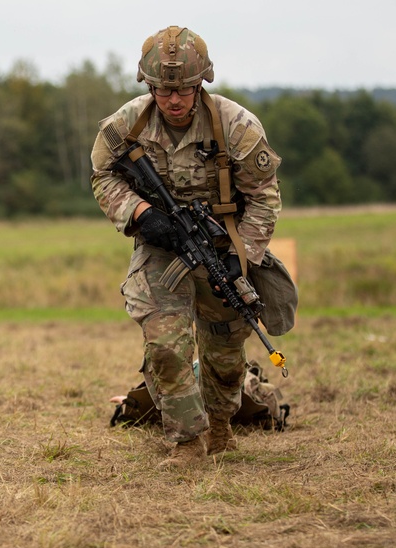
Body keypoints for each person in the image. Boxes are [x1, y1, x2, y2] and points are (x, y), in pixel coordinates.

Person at [91, 26, 284, 468]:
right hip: (160, 246)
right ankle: (187, 442)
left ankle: (220, 427)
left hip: (222, 246)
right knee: (166, 342)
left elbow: (265, 196)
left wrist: (242, 255)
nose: (174, 100)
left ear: (201, 83)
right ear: (149, 85)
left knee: (224, 350)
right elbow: (102, 175)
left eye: (184, 89)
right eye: (163, 89)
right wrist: (141, 214)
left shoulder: (237, 126)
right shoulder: (128, 123)